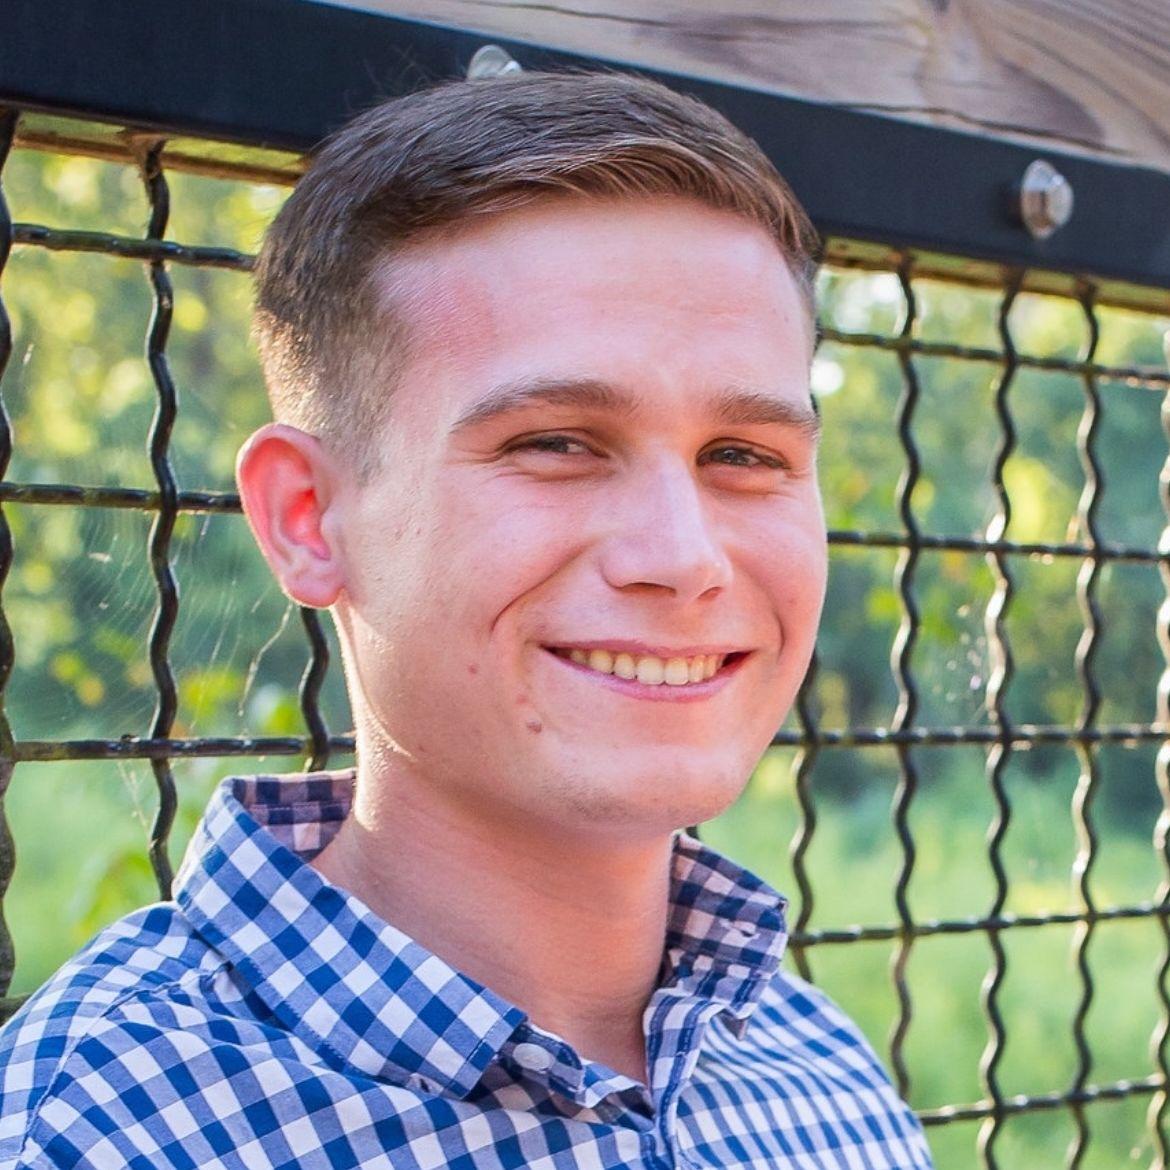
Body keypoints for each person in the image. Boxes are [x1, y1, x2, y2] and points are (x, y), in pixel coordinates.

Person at [0, 70, 934, 1169]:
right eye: (556, 443)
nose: (683, 557)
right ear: (308, 518)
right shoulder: (93, 1128)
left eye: (743, 454)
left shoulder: (818, 1073)